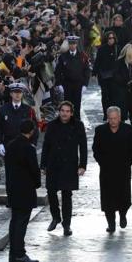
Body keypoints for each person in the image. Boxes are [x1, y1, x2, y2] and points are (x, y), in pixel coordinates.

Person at [40, 101, 87, 237]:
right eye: (62, 111)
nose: (64, 113)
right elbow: (46, 146)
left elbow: (83, 146)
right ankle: (56, 217)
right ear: (59, 111)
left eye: (67, 111)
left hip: (70, 164)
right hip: (53, 163)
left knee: (67, 195)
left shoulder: (78, 125)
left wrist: (82, 165)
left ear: (71, 113)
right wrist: (43, 165)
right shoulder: (52, 125)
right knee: (51, 192)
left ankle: (67, 225)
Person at [92, 106, 132, 233]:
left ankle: (123, 215)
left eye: (115, 118)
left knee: (123, 195)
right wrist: (101, 162)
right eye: (110, 118)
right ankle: (111, 223)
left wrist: (128, 162)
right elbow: (96, 149)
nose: (112, 121)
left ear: (119, 118)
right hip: (106, 170)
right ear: (107, 118)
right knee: (108, 197)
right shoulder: (100, 130)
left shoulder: (129, 130)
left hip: (123, 169)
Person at [5, 119, 41, 262]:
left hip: (13, 189)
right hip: (25, 190)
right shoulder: (29, 148)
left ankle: (13, 253)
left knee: (15, 221)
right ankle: (19, 253)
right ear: (32, 131)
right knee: (21, 222)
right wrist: (37, 183)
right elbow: (34, 169)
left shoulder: (11, 145)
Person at [0, 83, 38, 156]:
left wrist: (33, 143)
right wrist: (0, 143)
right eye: (15, 92)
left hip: (25, 146)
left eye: (20, 92)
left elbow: (35, 128)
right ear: (11, 94)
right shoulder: (3, 109)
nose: (17, 94)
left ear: (22, 94)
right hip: (8, 145)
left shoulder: (29, 110)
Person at [55, 36, 91, 120]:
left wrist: (85, 84)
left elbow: (87, 71)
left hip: (78, 84)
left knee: (77, 105)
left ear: (76, 44)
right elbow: (58, 72)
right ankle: (67, 121)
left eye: (74, 43)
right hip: (67, 84)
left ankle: (77, 122)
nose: (72, 45)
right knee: (67, 105)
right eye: (70, 43)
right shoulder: (63, 56)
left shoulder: (82, 56)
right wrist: (59, 84)